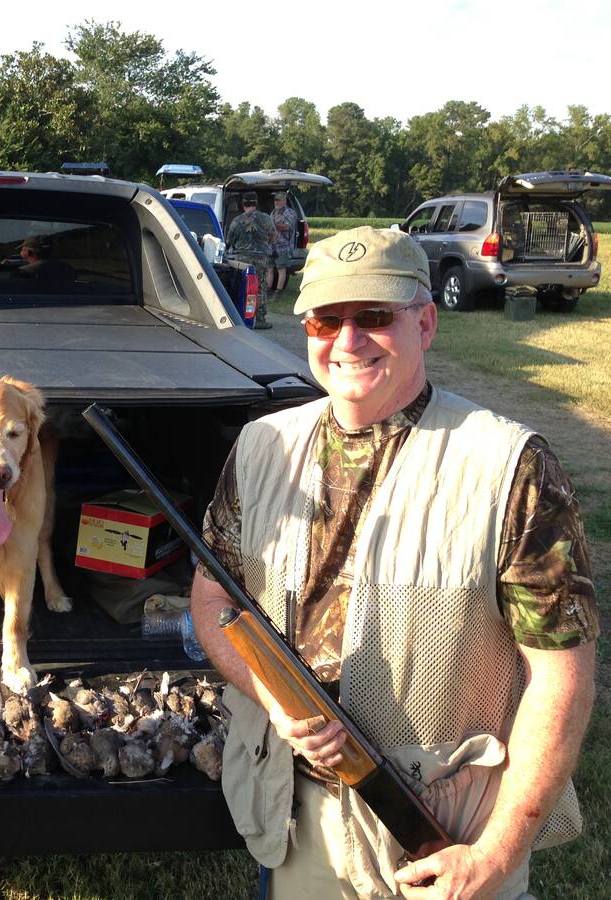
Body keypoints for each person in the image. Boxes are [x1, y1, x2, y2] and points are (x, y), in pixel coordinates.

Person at [190, 226, 596, 899]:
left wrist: (493, 857)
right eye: (326, 319)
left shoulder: (509, 466)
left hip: (447, 833)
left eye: (374, 316)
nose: (347, 340)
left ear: (426, 323)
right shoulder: (262, 446)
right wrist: (271, 697)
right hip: (292, 819)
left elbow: (563, 679)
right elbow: (213, 603)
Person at [225, 191, 278, 328]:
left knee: (242, 288)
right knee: (260, 289)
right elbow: (273, 236)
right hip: (261, 258)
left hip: (242, 260)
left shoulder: (237, 221)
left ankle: (240, 316)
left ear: (243, 205)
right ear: (256, 203)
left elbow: (229, 241)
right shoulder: (266, 218)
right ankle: (259, 319)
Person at [269, 191, 299, 293]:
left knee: (281, 270)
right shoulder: (273, 212)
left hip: (283, 247)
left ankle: (278, 292)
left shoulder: (289, 213)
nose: (276, 202)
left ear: (284, 201)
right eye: (275, 200)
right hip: (272, 246)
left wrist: (273, 226)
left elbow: (287, 227)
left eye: (279, 200)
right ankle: (268, 290)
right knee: (270, 268)